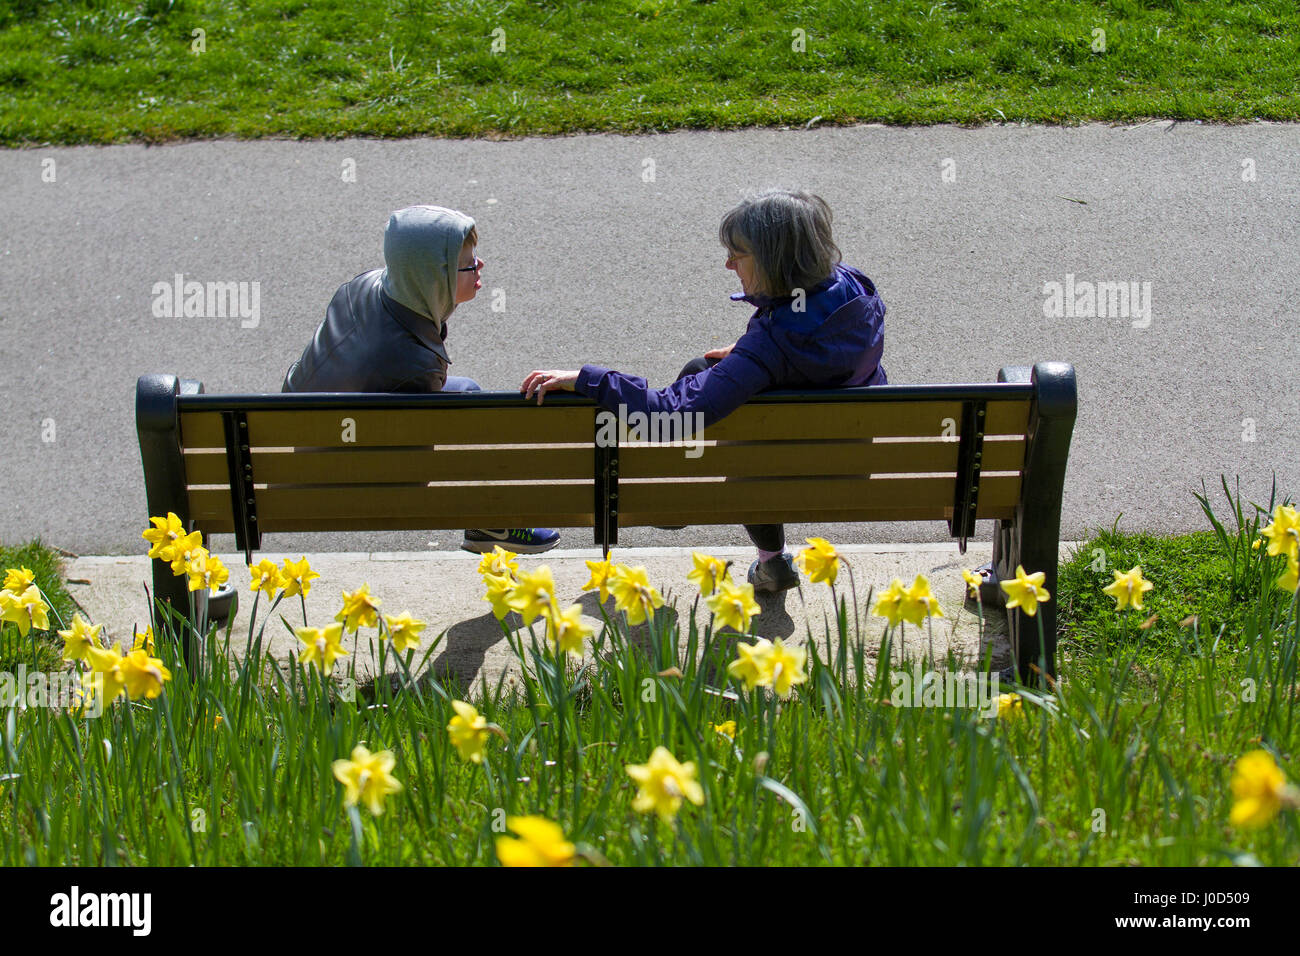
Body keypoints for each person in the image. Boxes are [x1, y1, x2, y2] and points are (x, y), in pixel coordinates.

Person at [520, 189, 885, 591]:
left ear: (775, 259)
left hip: (784, 471)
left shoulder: (772, 343)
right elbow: (817, 342)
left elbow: (669, 417)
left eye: (739, 254)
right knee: (720, 378)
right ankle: (764, 555)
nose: (728, 263)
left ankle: (681, 496)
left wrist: (588, 378)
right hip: (852, 457)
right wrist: (754, 354)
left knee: (712, 388)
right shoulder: (855, 287)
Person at [283, 204, 560, 555]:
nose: (480, 266)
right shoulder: (415, 364)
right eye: (468, 264)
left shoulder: (363, 286)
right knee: (471, 404)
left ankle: (488, 524)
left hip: (296, 431)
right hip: (339, 476)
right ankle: (492, 522)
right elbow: (416, 455)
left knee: (462, 394)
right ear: (434, 277)